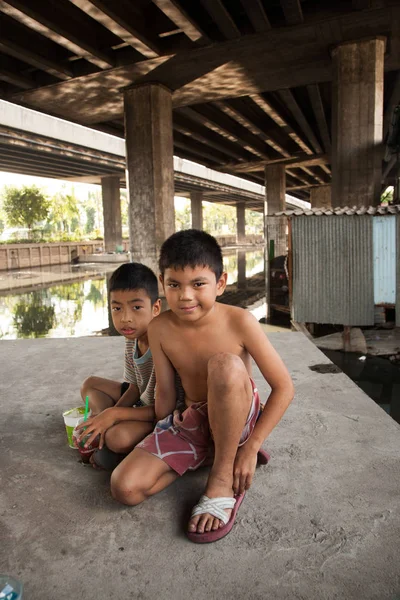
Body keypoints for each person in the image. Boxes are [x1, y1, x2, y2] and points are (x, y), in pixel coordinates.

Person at [110, 230, 294, 543]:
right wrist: (159, 436)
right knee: (123, 487)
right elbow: (165, 392)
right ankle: (211, 453)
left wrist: (251, 447)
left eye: (198, 284)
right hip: (192, 420)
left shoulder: (240, 321)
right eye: (174, 285)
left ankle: (222, 477)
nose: (185, 296)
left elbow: (284, 387)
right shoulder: (159, 327)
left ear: (220, 283)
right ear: (162, 282)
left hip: (239, 413)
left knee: (223, 364)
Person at [76, 262, 162, 470]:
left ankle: (115, 440)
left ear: (155, 308)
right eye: (117, 308)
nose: (125, 318)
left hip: (161, 415)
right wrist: (109, 415)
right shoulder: (132, 336)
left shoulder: (162, 344)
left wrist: (114, 416)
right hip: (141, 400)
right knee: (90, 385)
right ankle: (102, 424)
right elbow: (133, 387)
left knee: (117, 437)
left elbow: (163, 411)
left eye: (137, 307)